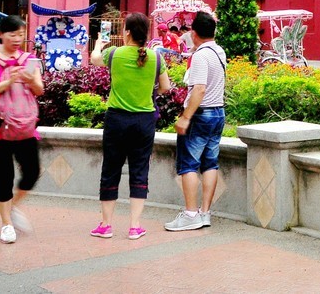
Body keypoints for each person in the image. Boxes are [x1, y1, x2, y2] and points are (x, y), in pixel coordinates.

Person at [89, 13, 170, 240]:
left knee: (111, 169)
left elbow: (94, 59)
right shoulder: (155, 57)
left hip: (117, 120)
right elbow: (166, 86)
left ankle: (106, 225)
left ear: (126, 32)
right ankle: (135, 226)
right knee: (139, 170)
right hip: (144, 122)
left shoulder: (114, 54)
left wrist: (98, 44)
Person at [0, 15, 44, 244]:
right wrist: (8, 81)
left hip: (24, 125)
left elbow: (40, 90)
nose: (17, 39)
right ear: (0, 35)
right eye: (13, 34)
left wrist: (29, 80)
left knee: (32, 172)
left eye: (21, 34)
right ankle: (6, 224)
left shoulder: (30, 59)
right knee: (5, 176)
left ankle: (13, 207)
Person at [165, 12, 226, 232]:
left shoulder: (201, 55)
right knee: (210, 163)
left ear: (194, 32)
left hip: (200, 114)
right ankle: (204, 212)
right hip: (218, 112)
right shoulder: (219, 51)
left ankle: (190, 214)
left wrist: (185, 117)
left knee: (188, 164)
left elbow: (199, 88)